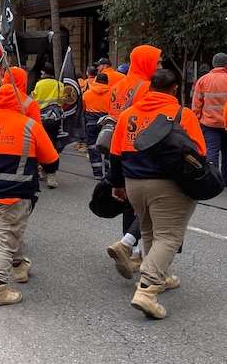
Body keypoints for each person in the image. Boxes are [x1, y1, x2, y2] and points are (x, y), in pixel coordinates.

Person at [109, 69, 204, 319]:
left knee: (150, 231)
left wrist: (117, 184)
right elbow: (200, 154)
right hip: (169, 185)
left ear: (149, 88)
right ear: (174, 90)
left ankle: (161, 277)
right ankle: (147, 289)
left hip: (134, 183)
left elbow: (115, 155)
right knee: (169, 236)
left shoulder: (128, 114)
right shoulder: (182, 114)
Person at [0, 82, 59, 306]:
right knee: (5, 240)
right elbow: (52, 162)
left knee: (7, 231)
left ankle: (19, 266)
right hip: (15, 193)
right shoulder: (29, 125)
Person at [105, 45, 162, 279]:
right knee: (153, 202)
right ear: (146, 63)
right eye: (157, 63)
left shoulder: (117, 85)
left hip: (120, 147)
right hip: (143, 147)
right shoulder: (147, 88)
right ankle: (130, 244)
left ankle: (134, 252)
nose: (160, 67)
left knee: (130, 201)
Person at [192, 52, 227, 180]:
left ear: (213, 65)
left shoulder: (203, 80)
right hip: (226, 124)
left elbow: (196, 103)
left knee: (212, 151)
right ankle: (225, 179)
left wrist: (196, 120)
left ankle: (213, 179)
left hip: (209, 124)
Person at [31, 62, 63, 188]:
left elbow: (34, 100)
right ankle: (51, 175)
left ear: (43, 72)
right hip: (55, 118)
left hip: (40, 119)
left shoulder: (38, 84)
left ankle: (40, 169)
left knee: (39, 145)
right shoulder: (59, 84)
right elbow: (62, 102)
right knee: (52, 145)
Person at [82, 73, 111, 179]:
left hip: (91, 122)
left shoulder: (87, 94)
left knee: (93, 147)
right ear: (107, 82)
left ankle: (97, 173)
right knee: (109, 147)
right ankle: (108, 171)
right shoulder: (113, 93)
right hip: (107, 123)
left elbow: (83, 109)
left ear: (96, 81)